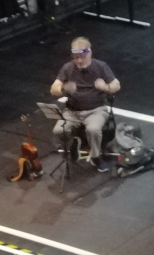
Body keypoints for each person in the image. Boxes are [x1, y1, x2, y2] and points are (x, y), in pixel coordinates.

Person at [49, 36, 120, 172]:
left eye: (82, 57)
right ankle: (71, 146)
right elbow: (53, 89)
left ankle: (96, 156)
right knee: (58, 131)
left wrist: (105, 87)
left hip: (96, 109)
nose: (79, 60)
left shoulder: (100, 66)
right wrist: (63, 88)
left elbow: (116, 85)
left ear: (90, 54)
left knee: (93, 130)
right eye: (76, 57)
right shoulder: (68, 68)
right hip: (72, 111)